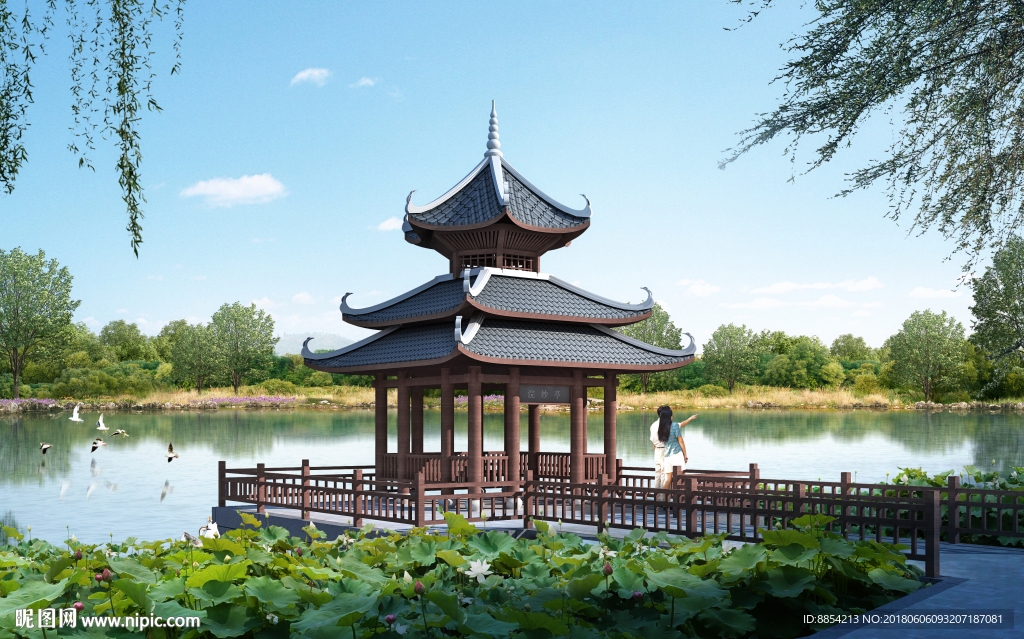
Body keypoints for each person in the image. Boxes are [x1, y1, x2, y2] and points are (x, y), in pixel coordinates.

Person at [657, 408, 697, 490]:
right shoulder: (674, 426)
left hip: (667, 456)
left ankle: (664, 500)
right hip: (677, 454)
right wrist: (685, 455)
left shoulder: (661, 428)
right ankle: (678, 500)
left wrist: (690, 418)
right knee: (679, 478)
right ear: (670, 417)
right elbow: (681, 441)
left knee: (668, 479)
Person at [649, 406, 671, 490]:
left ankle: (657, 497)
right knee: (664, 473)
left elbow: (653, 441)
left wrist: (656, 451)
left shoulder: (653, 425)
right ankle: (663, 498)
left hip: (657, 450)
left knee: (657, 474)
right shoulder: (666, 425)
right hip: (664, 450)